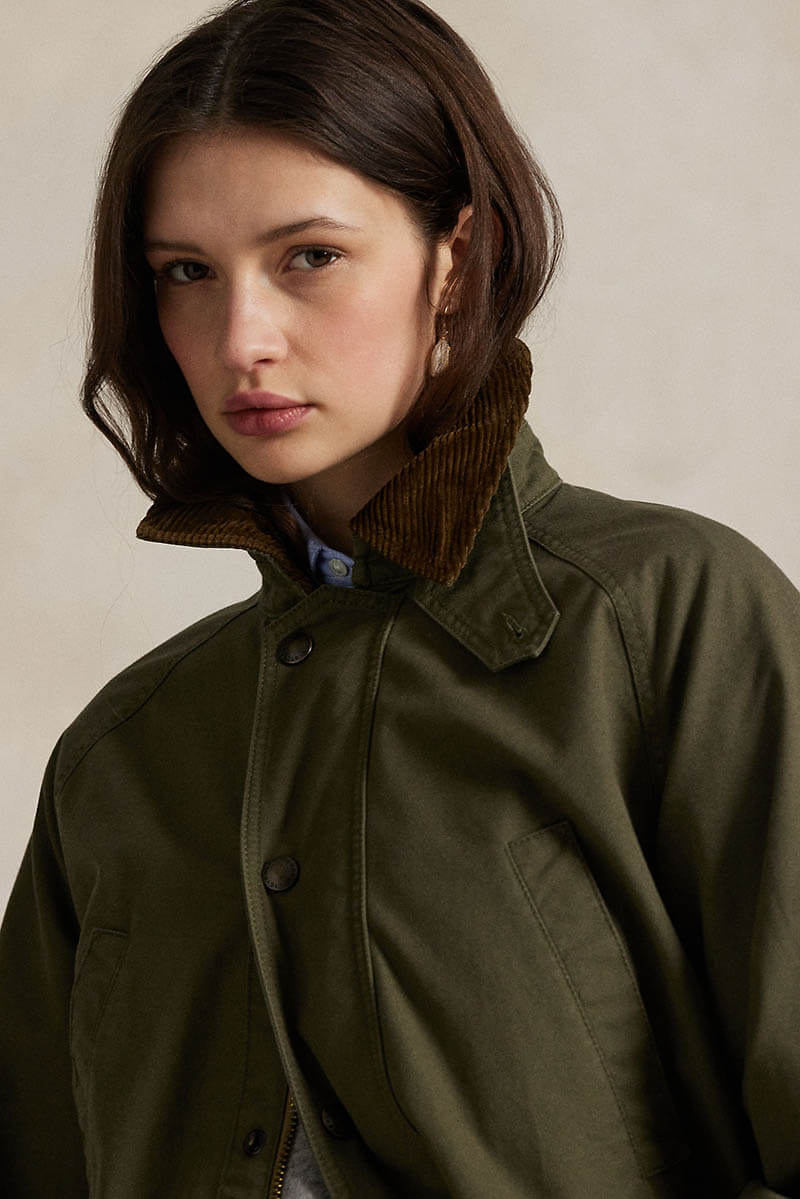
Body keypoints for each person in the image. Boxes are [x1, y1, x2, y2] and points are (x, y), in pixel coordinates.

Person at [1, 0, 798, 1194]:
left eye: (308, 256)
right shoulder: (125, 751)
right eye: (186, 273)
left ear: (455, 258)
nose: (242, 337)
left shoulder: (664, 619)